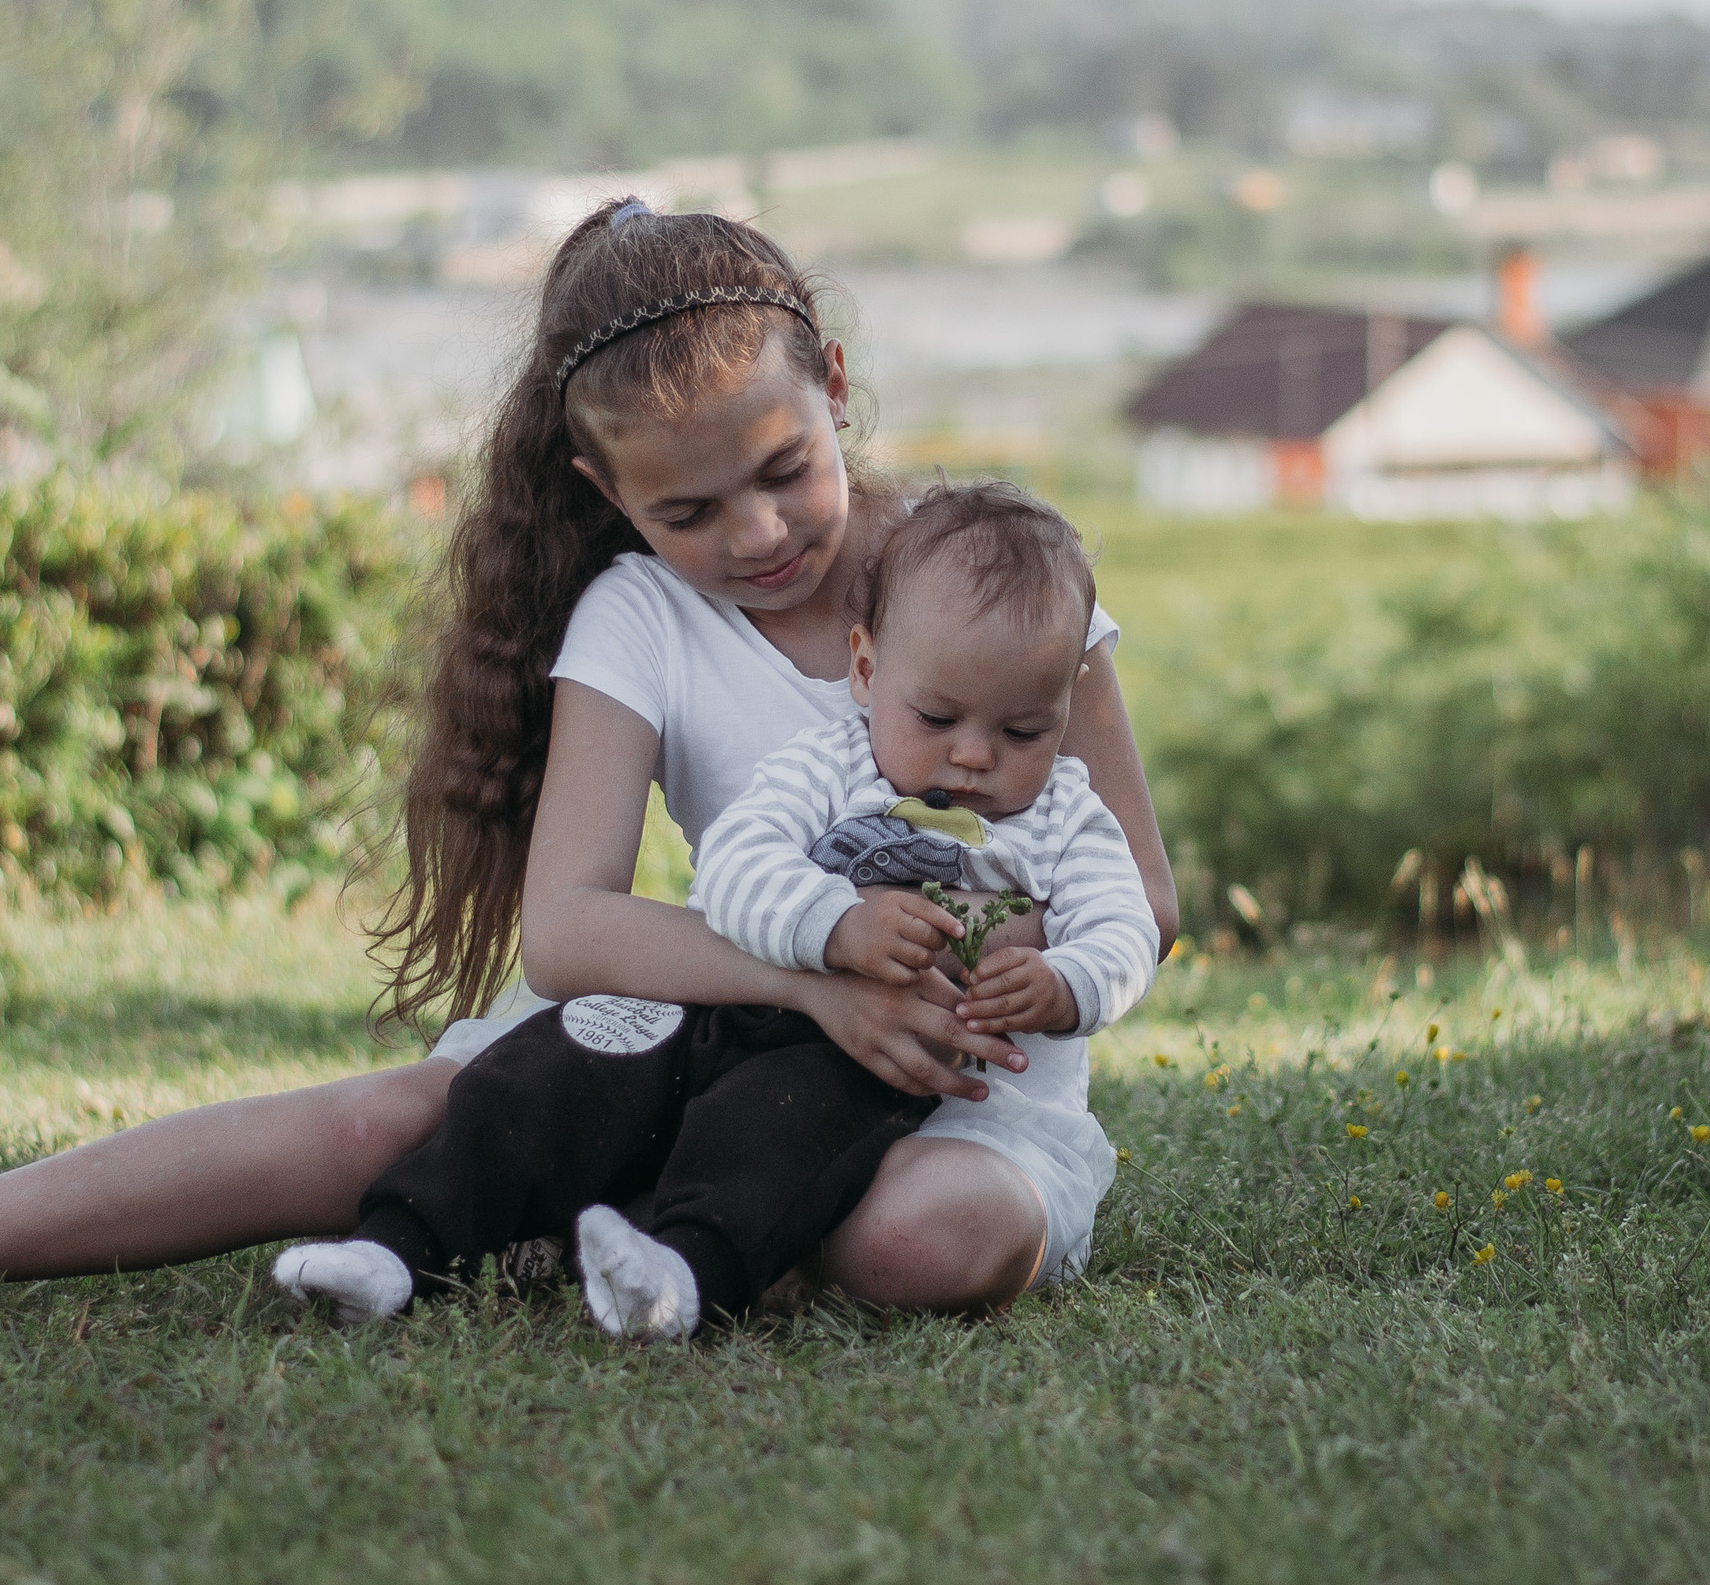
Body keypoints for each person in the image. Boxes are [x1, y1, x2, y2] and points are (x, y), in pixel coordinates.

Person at [0, 198, 1180, 1361]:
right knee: (371, 1123)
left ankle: (610, 1217)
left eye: (785, 467)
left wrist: (1030, 962)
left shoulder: (999, 586)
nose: (759, 532)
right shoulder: (637, 617)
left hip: (963, 1089)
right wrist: (816, 980)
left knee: (928, 1238)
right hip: (724, 1033)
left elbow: (1143, 890)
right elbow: (573, 930)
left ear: (835, 386)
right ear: (605, 495)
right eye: (687, 506)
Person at [269, 482, 1158, 1341]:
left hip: (898, 1087)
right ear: (866, 666)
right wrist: (837, 923)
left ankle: (682, 1272)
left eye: (1023, 732)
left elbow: (1126, 923)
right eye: (936, 715)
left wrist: (1068, 980)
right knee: (555, 1061)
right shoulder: (828, 765)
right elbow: (738, 863)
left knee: (783, 1125)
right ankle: (395, 1247)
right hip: (736, 1019)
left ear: (1062, 712)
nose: (972, 755)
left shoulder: (1066, 816)